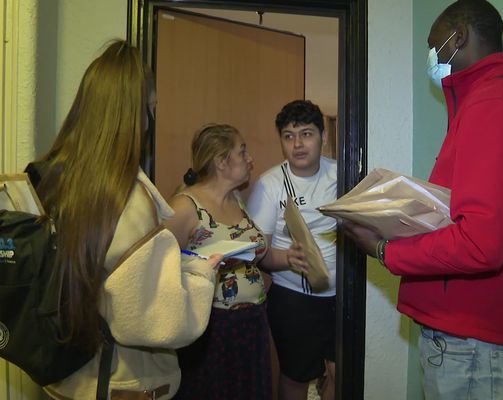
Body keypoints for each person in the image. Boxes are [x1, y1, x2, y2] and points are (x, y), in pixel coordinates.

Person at [342, 1, 503, 399]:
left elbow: (480, 243)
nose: (432, 56)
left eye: (433, 44)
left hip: (471, 345)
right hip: (469, 342)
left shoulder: (492, 104)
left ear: (459, 38)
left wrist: (386, 250)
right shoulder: (489, 103)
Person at [33, 40, 220, 400]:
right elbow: (153, 320)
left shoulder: (52, 178)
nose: (150, 122)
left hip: (64, 379)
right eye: (150, 109)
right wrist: (200, 273)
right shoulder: (126, 198)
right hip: (121, 385)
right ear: (134, 113)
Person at [164, 124, 298, 400]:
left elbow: (257, 255)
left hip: (252, 324)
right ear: (221, 162)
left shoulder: (237, 200)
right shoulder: (184, 207)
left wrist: (290, 258)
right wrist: (204, 268)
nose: (250, 158)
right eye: (243, 151)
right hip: (211, 329)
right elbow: (160, 269)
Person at [247, 100, 337, 400]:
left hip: (342, 298)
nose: (298, 144)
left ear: (323, 136)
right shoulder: (269, 185)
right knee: (297, 377)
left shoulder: (343, 176)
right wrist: (286, 259)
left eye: (307, 134)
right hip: (294, 301)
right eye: (288, 136)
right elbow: (256, 252)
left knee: (340, 372)